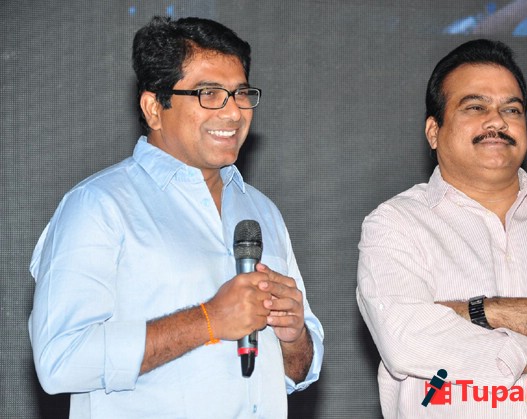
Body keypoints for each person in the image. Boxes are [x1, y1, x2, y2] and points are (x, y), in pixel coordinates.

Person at [29, 16, 323, 418]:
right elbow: (60, 361)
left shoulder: (261, 210)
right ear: (154, 107)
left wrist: (293, 337)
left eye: (240, 94)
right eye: (209, 93)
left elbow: (298, 371)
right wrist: (209, 320)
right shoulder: (98, 205)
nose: (233, 113)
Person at [356, 39, 527, 417]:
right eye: (476, 107)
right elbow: (407, 341)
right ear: (434, 131)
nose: (498, 121)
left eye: (511, 109)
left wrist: (479, 313)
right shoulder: (396, 223)